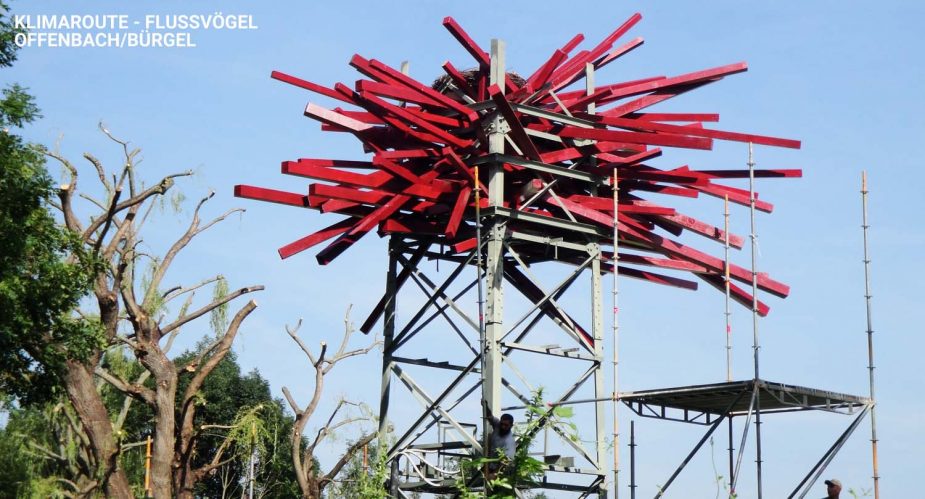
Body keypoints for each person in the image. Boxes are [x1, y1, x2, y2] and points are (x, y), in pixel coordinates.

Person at [481, 399, 516, 471]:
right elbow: (490, 416)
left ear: (511, 426)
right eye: (502, 424)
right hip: (488, 465)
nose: (503, 427)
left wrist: (495, 474)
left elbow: (507, 460)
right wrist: (485, 406)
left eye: (506, 425)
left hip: (498, 470)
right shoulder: (498, 425)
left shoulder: (509, 441)